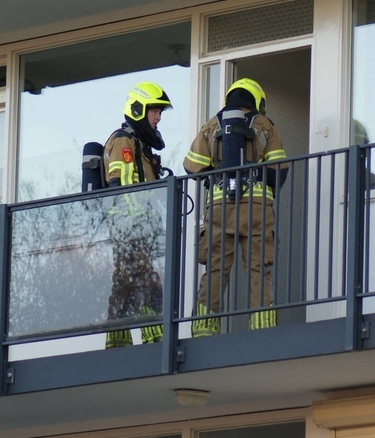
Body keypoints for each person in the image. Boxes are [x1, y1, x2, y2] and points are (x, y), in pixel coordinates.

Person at [183, 78, 287, 336]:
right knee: (258, 267)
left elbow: (191, 166)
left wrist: (217, 175)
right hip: (257, 210)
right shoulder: (266, 125)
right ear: (257, 101)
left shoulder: (210, 126)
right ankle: (262, 328)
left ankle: (205, 327)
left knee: (215, 268)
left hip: (219, 209)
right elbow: (279, 170)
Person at [101, 82, 172, 349]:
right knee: (146, 280)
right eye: (154, 110)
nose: (158, 117)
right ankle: (153, 338)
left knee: (125, 282)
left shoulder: (141, 146)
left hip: (139, 228)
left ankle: (116, 339)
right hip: (129, 227)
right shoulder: (124, 139)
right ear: (139, 109)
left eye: (160, 112)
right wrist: (135, 224)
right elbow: (119, 185)